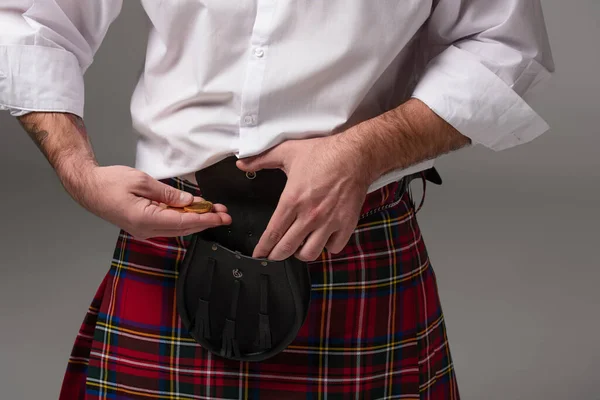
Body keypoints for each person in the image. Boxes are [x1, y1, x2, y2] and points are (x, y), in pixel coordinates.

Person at [0, 0, 554, 398]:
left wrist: (362, 152)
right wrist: (79, 173)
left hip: (346, 242)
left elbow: (505, 46)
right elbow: (31, 20)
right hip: (173, 234)